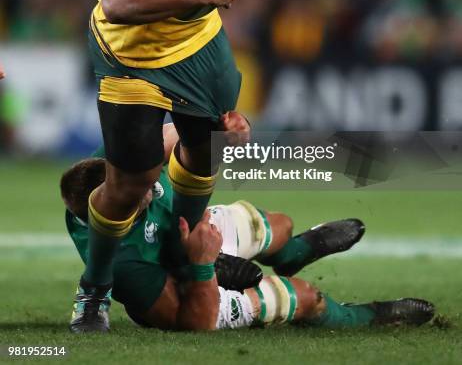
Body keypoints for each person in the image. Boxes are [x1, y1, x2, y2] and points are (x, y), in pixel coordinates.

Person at [75, 0, 416, 332]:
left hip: (197, 45)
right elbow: (119, 1)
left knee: (207, 150)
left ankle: (190, 259)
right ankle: (95, 290)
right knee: (132, 182)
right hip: (133, 55)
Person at [61, 117, 434, 331]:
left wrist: (225, 133)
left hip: (188, 230)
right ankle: (370, 316)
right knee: (301, 296)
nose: (148, 186)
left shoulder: (120, 163)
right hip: (182, 287)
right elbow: (195, 320)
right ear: (112, 217)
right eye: (134, 193)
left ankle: (293, 252)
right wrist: (205, 266)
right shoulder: (126, 269)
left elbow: (178, 136)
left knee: (279, 225)